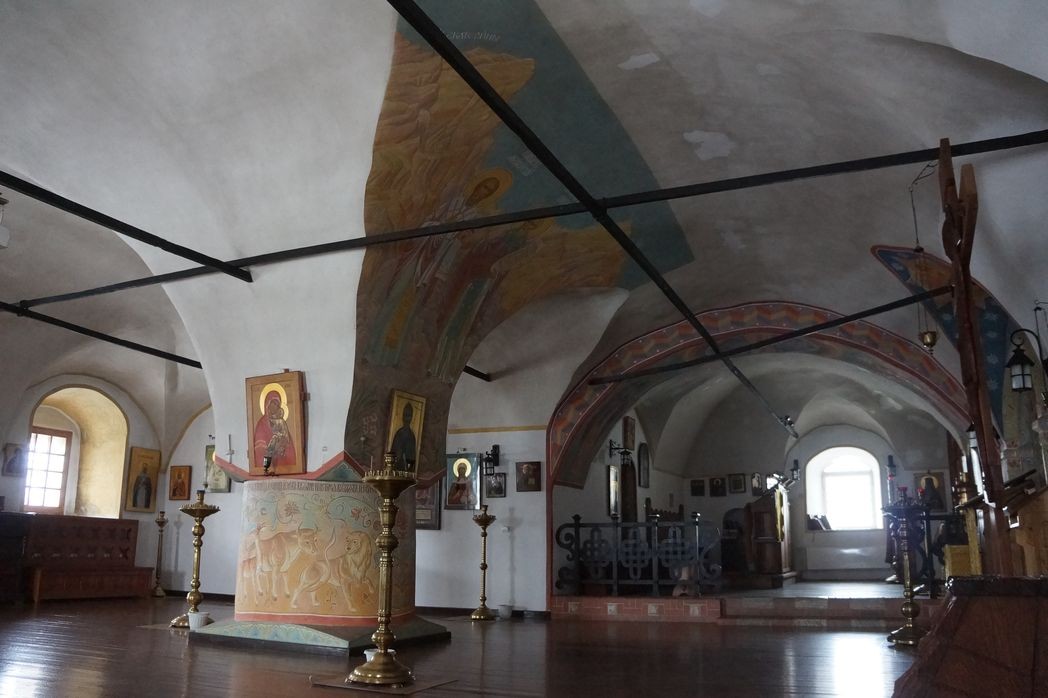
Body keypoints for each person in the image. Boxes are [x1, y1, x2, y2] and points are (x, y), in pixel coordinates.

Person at [254, 390, 295, 470]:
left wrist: (282, 445)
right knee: (268, 454)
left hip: (281, 459)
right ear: (267, 405)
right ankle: (266, 468)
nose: (275, 406)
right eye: (273, 403)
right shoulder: (262, 423)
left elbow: (287, 440)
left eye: (277, 405)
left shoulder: (281, 421)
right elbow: (259, 446)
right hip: (270, 450)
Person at [390, 403, 417, 470]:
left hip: (407, 470)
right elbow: (393, 454)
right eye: (405, 415)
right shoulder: (399, 433)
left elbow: (412, 457)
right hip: (397, 468)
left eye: (409, 415)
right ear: (402, 416)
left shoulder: (412, 436)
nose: (407, 418)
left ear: (411, 417)